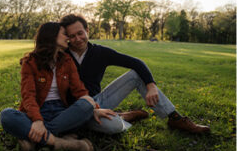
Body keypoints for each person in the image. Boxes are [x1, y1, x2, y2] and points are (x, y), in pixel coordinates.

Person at [60, 14, 210, 136]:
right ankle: (123, 116)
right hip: (73, 109)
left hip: (98, 101)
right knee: (114, 127)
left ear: (87, 30)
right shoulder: (60, 55)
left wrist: (151, 86)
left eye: (80, 33)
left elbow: (137, 63)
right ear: (66, 38)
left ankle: (175, 118)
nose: (77, 39)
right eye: (72, 36)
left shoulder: (100, 52)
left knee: (135, 75)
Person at [0, 21, 118, 151]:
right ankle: (60, 142)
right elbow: (28, 96)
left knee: (86, 104)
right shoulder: (30, 62)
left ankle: (33, 139)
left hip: (62, 113)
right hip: (37, 111)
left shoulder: (67, 60)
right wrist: (38, 121)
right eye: (64, 34)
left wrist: (94, 107)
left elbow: (79, 90)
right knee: (7, 115)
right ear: (52, 36)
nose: (68, 38)